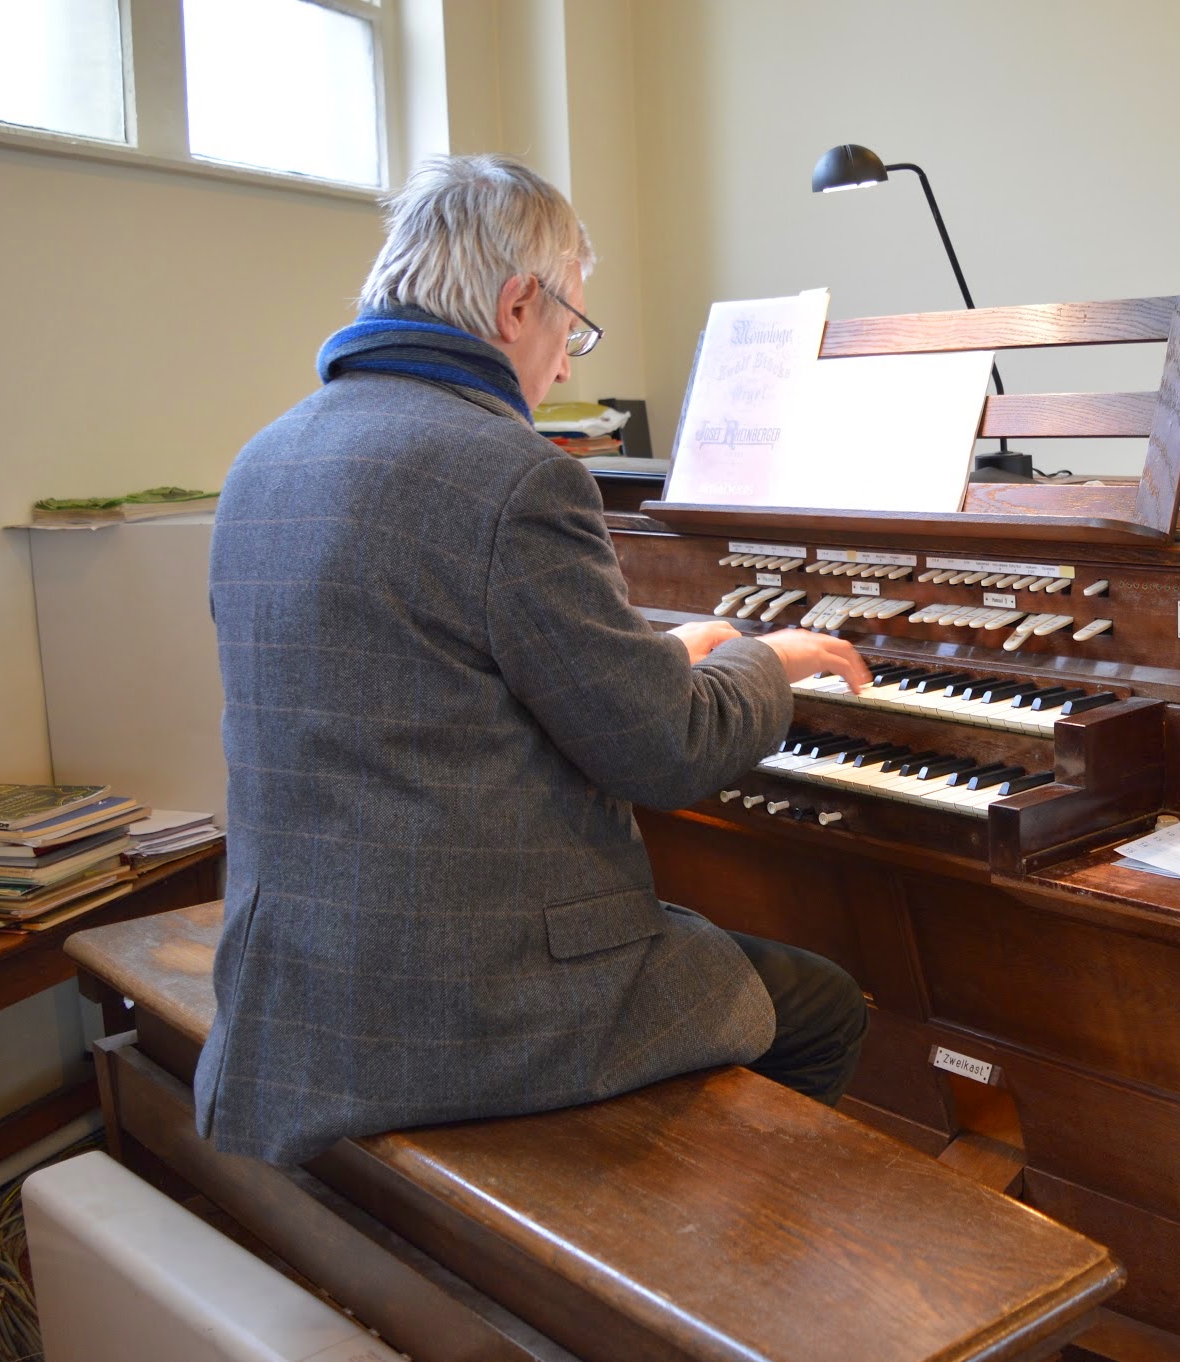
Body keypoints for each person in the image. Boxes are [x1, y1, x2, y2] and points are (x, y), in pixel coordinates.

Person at [193, 154, 871, 1165]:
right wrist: (766, 660)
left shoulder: (267, 458)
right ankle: (675, 1259)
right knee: (827, 1007)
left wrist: (656, 651)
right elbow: (669, 750)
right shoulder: (512, 473)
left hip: (294, 987)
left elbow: (427, 662)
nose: (566, 367)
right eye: (572, 329)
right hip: (473, 1009)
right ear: (517, 305)